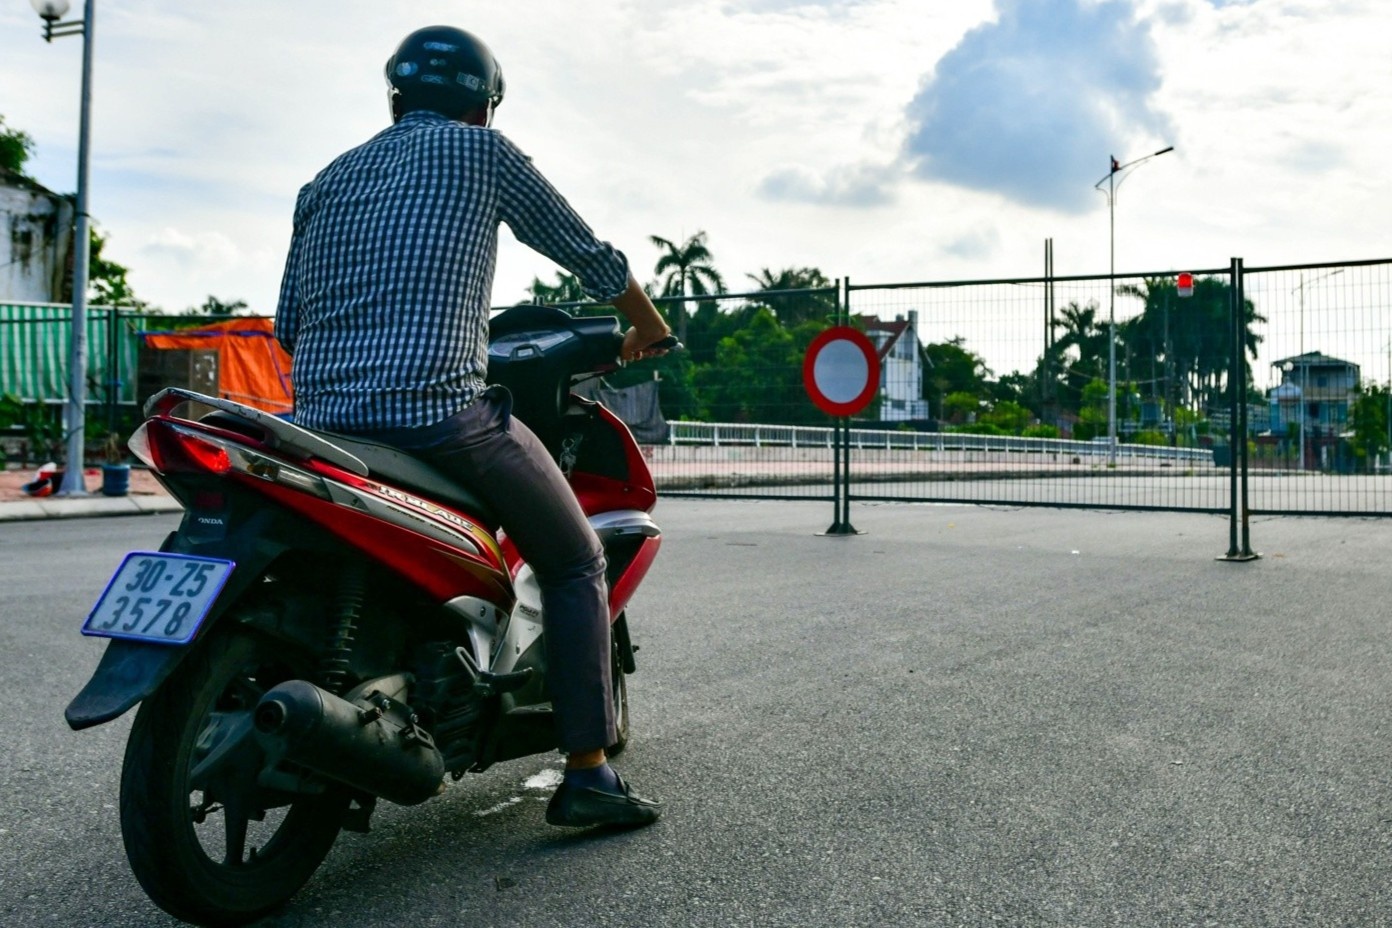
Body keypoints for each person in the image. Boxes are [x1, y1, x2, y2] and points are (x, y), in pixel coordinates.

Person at [273, 25, 669, 828]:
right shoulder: (480, 154)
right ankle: (588, 775)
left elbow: (288, 324)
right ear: (484, 107)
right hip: (436, 417)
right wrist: (648, 328)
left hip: (318, 426)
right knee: (574, 560)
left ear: (395, 98)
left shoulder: (324, 181)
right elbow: (587, 255)